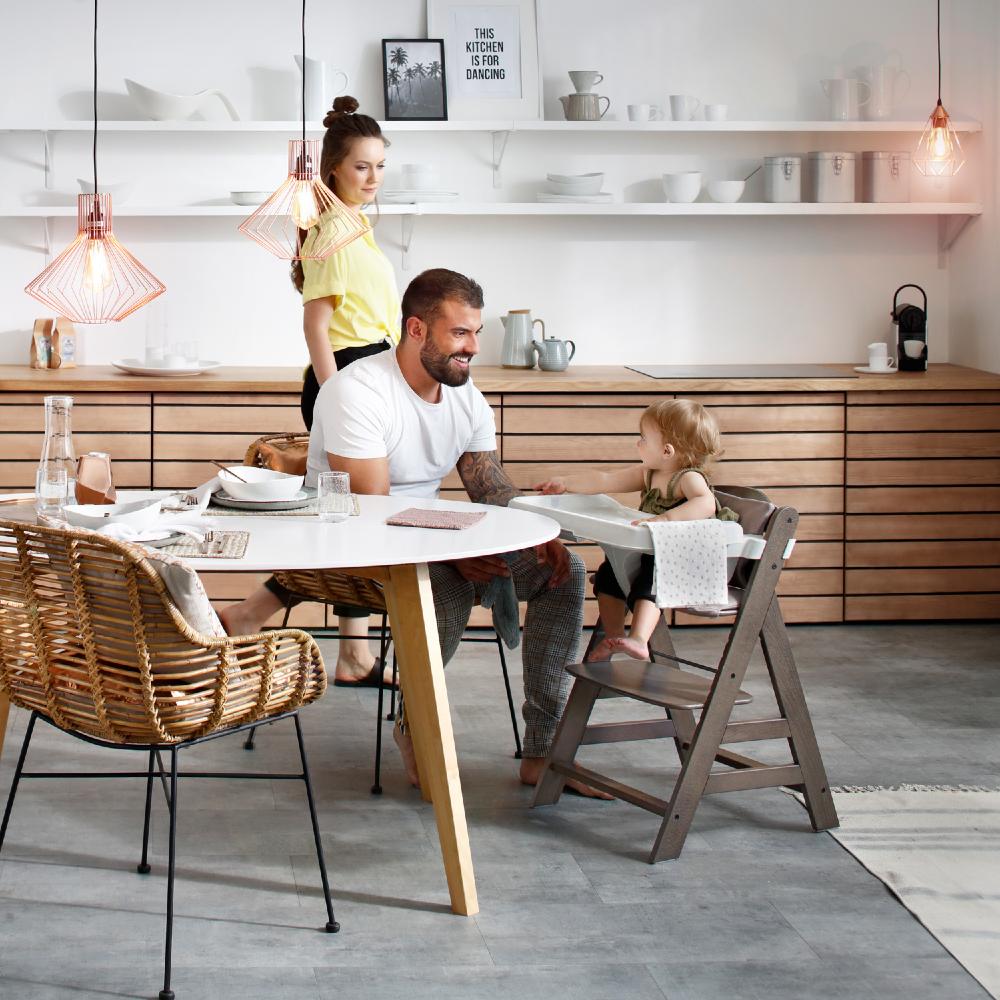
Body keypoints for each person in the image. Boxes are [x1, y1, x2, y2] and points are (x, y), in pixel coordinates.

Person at [225, 267, 609, 797]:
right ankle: (413, 724)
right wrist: (458, 550)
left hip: (427, 538)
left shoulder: (466, 396)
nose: (473, 348)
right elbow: (372, 512)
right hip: (348, 542)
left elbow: (488, 486)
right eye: (460, 333)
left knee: (564, 571)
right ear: (416, 330)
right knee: (444, 584)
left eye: (475, 333)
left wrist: (532, 529)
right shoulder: (356, 392)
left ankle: (545, 751)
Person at [222, 95, 396, 687]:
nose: (372, 178)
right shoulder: (332, 231)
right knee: (353, 520)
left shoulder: (356, 226)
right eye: (361, 167)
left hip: (367, 374)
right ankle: (267, 621)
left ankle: (298, 633)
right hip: (345, 375)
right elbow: (316, 325)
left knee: (345, 522)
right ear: (333, 171)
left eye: (379, 166)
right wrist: (338, 395)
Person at [534, 398, 738, 663]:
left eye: (643, 438)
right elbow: (606, 480)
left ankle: (639, 638)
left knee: (649, 579)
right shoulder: (649, 473)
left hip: (678, 558)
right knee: (608, 576)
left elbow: (706, 503)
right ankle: (615, 636)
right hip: (651, 550)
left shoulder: (688, 478)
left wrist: (667, 519)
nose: (637, 443)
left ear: (667, 450)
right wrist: (566, 483)